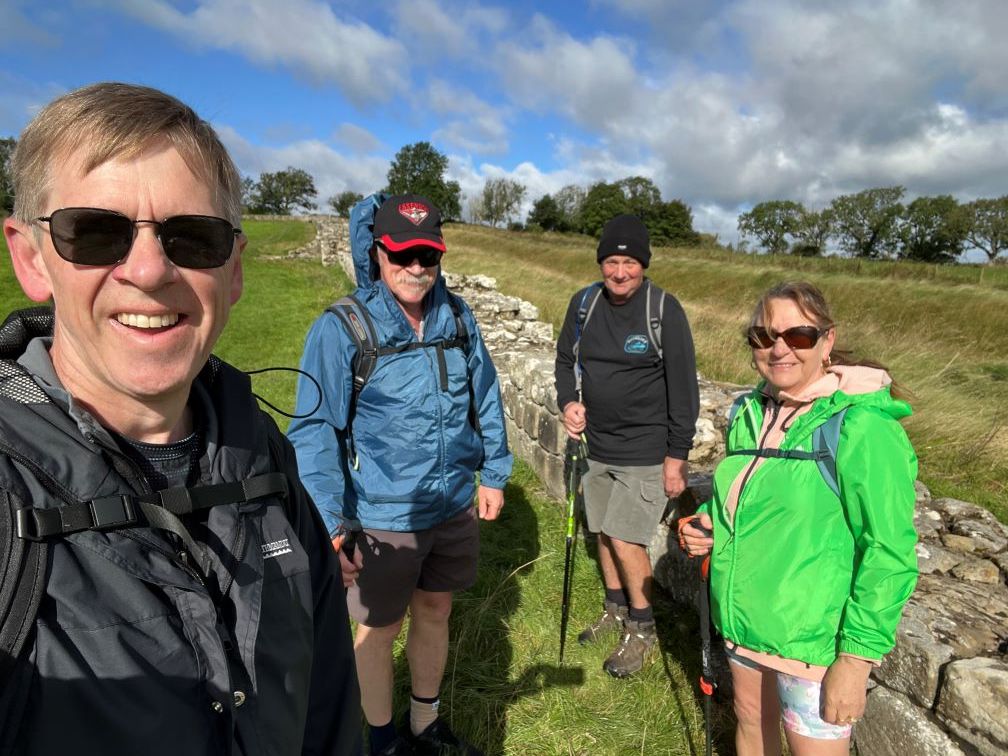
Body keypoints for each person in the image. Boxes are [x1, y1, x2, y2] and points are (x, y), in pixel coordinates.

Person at [0, 82, 361, 755]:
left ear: (233, 272)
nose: (148, 270)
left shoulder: (262, 455)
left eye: (193, 237)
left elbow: (330, 708)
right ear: (31, 257)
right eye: (95, 233)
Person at [288, 193, 513, 756]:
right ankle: (383, 739)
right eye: (402, 254)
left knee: (435, 609)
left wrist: (494, 471)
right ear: (378, 252)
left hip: (453, 503)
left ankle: (424, 722)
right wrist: (331, 523)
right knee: (378, 629)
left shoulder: (457, 316)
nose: (416, 268)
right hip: (381, 514)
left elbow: (485, 395)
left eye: (427, 256)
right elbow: (314, 430)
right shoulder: (343, 327)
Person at [679, 281, 918, 755]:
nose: (779, 348)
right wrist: (712, 525)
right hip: (745, 622)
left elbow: (889, 551)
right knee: (751, 726)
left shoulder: (862, 427)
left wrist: (856, 659)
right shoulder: (750, 412)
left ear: (827, 342)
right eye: (763, 336)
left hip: (813, 643)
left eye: (799, 336)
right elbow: (752, 496)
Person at [554, 213, 700, 678]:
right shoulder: (584, 305)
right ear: (601, 263)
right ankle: (615, 608)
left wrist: (677, 456)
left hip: (646, 449)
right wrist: (568, 402)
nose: (620, 273)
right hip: (597, 445)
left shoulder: (663, 310)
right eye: (611, 262)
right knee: (601, 530)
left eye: (630, 263)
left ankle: (642, 626)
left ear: (644, 264)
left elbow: (685, 389)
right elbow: (564, 360)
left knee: (623, 535)